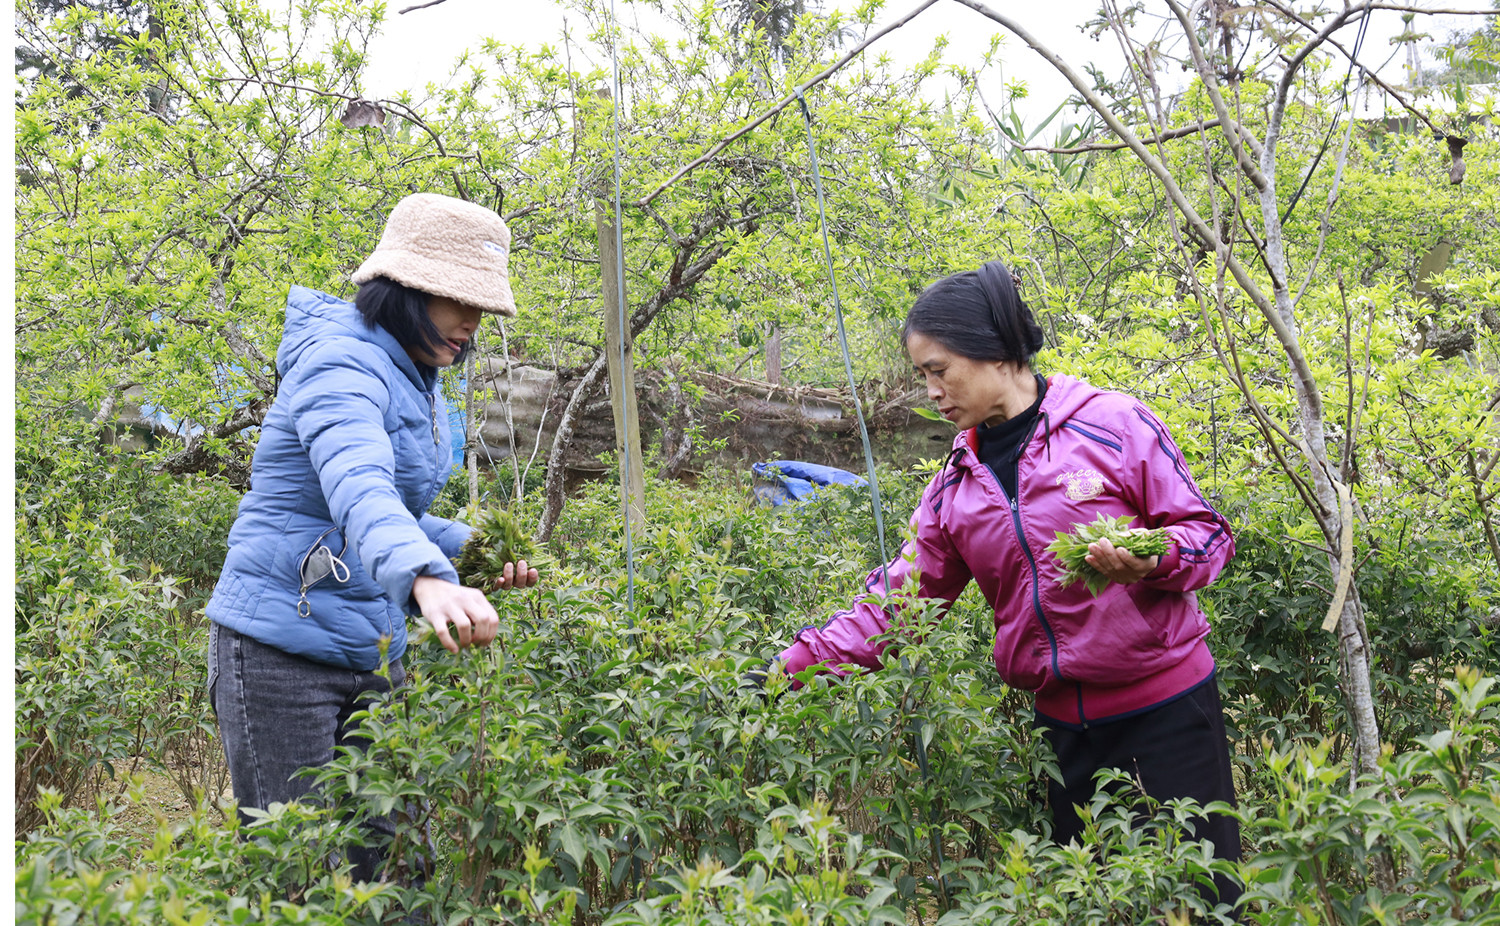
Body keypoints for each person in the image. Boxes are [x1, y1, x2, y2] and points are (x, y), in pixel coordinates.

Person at [769, 259, 1241, 905]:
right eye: (923, 375)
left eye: (939, 370)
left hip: (1166, 714)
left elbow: (1208, 539)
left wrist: (1153, 558)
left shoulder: (1113, 424)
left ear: (994, 351)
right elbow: (899, 606)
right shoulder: (954, 485)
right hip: (1062, 735)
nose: (931, 391)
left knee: (1202, 903)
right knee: (1095, 905)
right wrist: (787, 671)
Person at [206, 192, 539, 881]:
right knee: (294, 873)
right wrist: (424, 578)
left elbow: (389, 510)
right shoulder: (341, 364)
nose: (472, 324)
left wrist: (468, 550)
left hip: (372, 644)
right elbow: (357, 485)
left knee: (395, 870)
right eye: (459, 301)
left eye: (482, 308)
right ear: (406, 290)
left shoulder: (416, 373)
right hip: (279, 650)